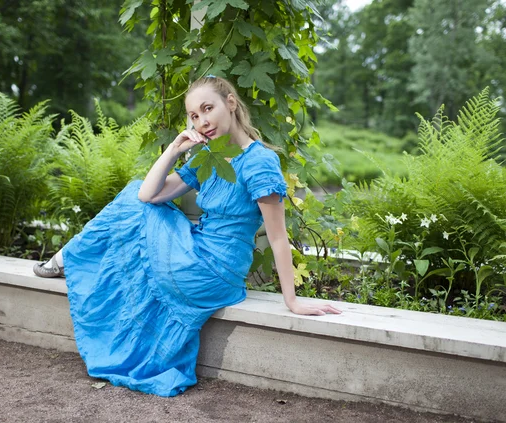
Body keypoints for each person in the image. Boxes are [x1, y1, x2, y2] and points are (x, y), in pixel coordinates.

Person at [33, 75, 341, 397]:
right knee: (134, 197)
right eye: (194, 116)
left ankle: (66, 258)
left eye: (208, 109)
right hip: (197, 250)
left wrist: (291, 301)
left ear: (231, 103)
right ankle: (69, 258)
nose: (202, 121)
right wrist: (174, 148)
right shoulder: (207, 158)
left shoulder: (259, 163)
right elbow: (147, 195)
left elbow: (278, 238)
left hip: (213, 269)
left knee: (130, 205)